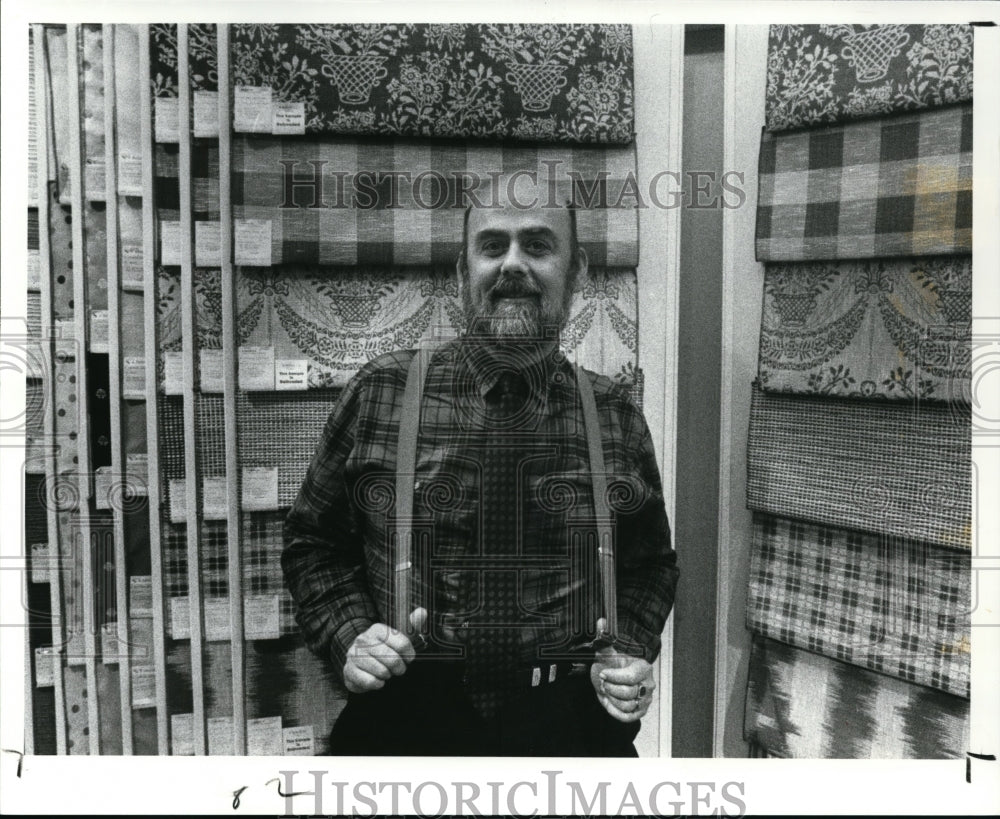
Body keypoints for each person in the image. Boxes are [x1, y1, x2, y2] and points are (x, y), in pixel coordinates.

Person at [282, 202, 678, 756]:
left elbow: (650, 563)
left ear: (578, 271)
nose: (512, 263)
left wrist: (628, 649)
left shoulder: (614, 412)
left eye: (538, 246)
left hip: (570, 731)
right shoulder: (381, 392)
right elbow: (312, 543)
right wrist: (351, 637)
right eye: (492, 246)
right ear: (461, 272)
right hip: (403, 724)